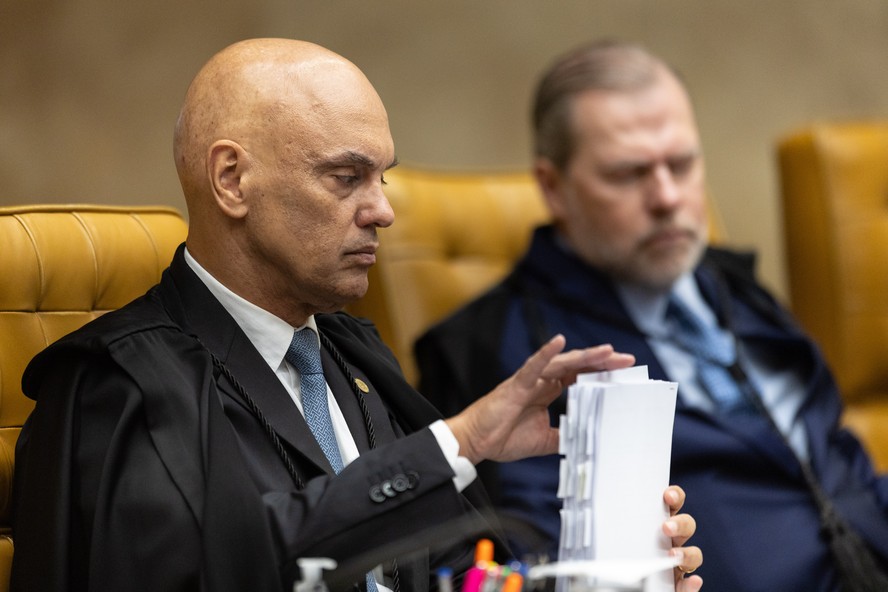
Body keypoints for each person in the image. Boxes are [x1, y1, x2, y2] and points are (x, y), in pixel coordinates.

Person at [9, 38, 702, 592]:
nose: (384, 210)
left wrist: (603, 575)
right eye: (346, 178)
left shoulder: (352, 357)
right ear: (232, 180)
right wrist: (457, 442)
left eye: (383, 176)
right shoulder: (115, 387)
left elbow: (457, 571)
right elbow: (222, 565)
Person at [415, 40, 888, 592]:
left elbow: (833, 452)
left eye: (682, 164)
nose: (667, 197)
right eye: (628, 173)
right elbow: (543, 558)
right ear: (553, 187)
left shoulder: (734, 287)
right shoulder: (502, 349)